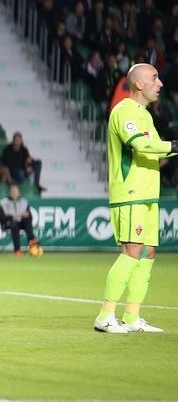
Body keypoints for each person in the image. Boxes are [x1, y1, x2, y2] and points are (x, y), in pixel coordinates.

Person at [94, 63, 178, 334]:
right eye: (155, 77)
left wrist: (170, 149)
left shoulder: (144, 115)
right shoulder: (123, 111)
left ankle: (131, 316)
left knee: (148, 253)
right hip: (130, 193)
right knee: (131, 252)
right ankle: (105, 315)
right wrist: (173, 145)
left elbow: (157, 151)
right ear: (139, 84)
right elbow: (141, 145)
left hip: (149, 194)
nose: (160, 83)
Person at [0, 185, 39, 257]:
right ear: (10, 193)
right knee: (14, 224)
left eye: (16, 192)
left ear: (19, 193)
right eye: (13, 192)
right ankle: (17, 250)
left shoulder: (24, 202)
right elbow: (0, 216)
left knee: (27, 220)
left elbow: (30, 216)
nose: (14, 193)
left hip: (21, 222)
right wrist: (12, 216)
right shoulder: (3, 202)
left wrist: (26, 215)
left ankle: (32, 240)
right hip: (9, 223)